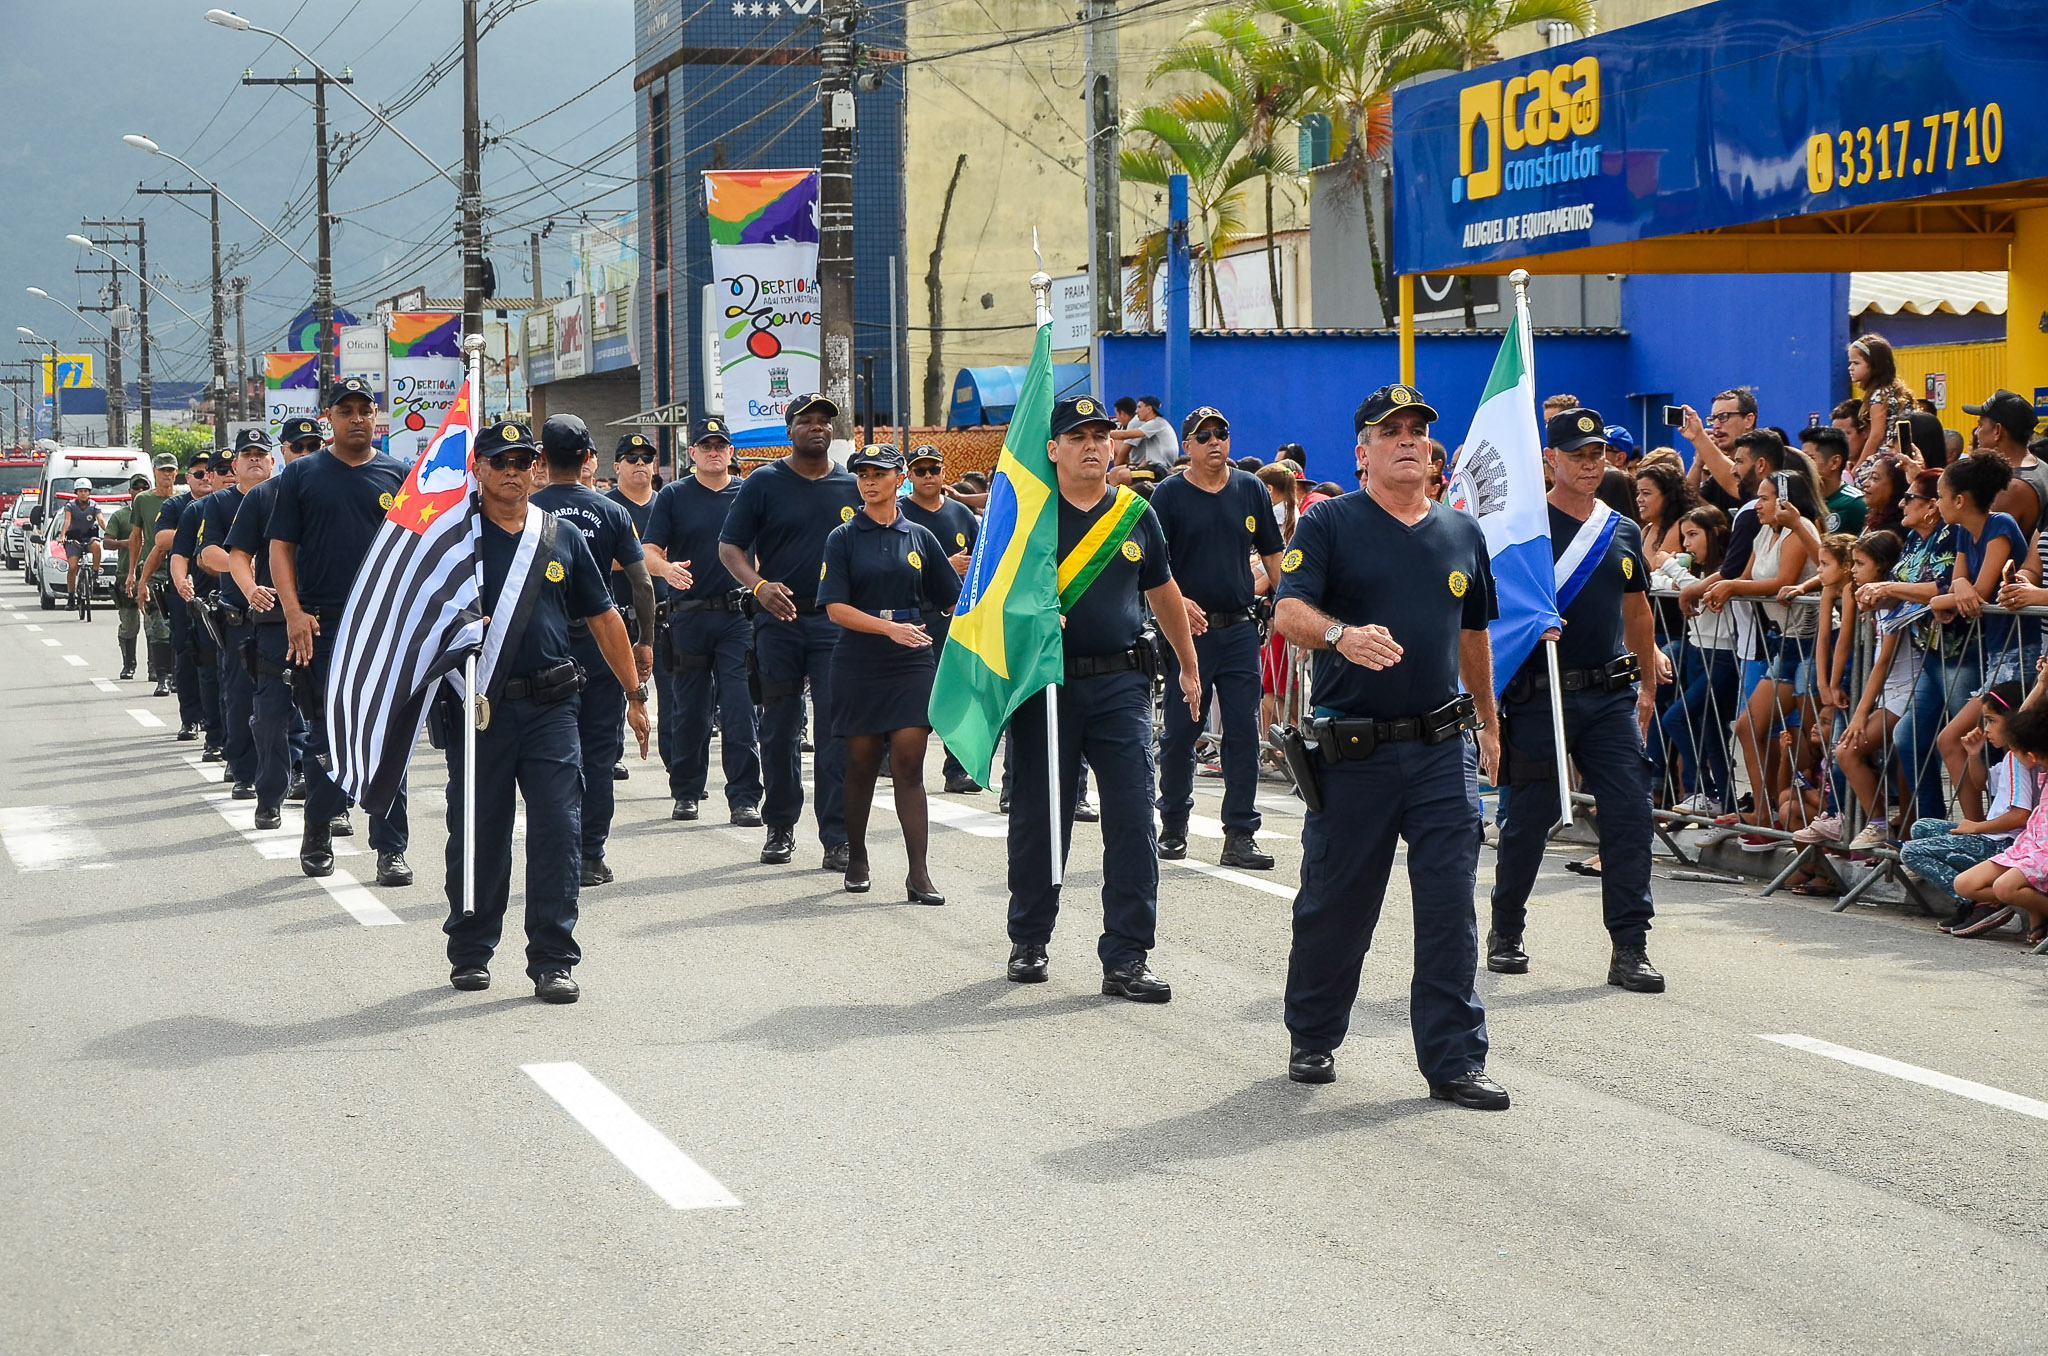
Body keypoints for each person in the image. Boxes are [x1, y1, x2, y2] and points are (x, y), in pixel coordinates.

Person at [1272, 382, 1505, 1105]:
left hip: (1442, 749)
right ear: (1362, 452)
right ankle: (1313, 1034)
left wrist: (1489, 721)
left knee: (1448, 909)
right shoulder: (1330, 523)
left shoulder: (1461, 532)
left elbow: (1473, 636)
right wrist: (1342, 634)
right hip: (1355, 753)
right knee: (1337, 906)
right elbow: (1285, 612)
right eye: (1390, 430)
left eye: (1417, 429)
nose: (1408, 439)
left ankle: (1454, 1061)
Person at [442, 419, 651, 1004]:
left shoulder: (561, 537)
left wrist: (634, 693)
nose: (513, 471)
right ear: (477, 469)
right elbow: (414, 618)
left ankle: (553, 958)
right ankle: (471, 950)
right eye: (500, 461)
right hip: (478, 710)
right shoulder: (454, 540)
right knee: (480, 832)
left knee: (559, 830)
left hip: (554, 707)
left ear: (536, 466)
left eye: (522, 461)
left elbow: (605, 618)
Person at [1004, 395, 1201, 1001]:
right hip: (1048, 686)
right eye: (1078, 435)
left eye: (1101, 435)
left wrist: (1188, 668)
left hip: (1123, 684)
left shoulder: (1135, 513)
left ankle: (1127, 956)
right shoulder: (1029, 517)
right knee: (1042, 817)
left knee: (1133, 818)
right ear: (1053, 449)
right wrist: (1032, 617)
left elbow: (1164, 593)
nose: (1093, 445)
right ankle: (1030, 938)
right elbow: (989, 603)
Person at [1490, 406, 1666, 994]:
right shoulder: (1524, 528)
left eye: (1597, 456)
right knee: (1530, 819)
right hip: (1541, 696)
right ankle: (1506, 927)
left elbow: (1637, 608)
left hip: (1608, 696)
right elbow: (1490, 614)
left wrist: (1646, 679)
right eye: (1577, 456)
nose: (1590, 466)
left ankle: (1630, 947)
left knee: (1629, 813)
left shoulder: (1621, 529)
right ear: (1550, 460)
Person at [267, 375, 413, 885]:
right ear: (329, 416)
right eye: (345, 409)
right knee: (331, 739)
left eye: (364, 409)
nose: (356, 418)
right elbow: (280, 547)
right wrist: (292, 611)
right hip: (323, 624)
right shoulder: (303, 475)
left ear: (377, 416)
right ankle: (317, 829)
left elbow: (421, 552)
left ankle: (390, 848)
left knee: (390, 737)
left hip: (387, 627)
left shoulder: (400, 475)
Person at [718, 393, 863, 868]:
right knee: (779, 728)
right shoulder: (763, 483)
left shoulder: (851, 486)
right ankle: (779, 826)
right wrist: (758, 587)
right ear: (789, 430)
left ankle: (838, 837)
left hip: (833, 625)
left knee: (834, 732)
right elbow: (730, 548)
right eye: (807, 421)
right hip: (778, 624)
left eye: (824, 421)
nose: (817, 428)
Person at [818, 443, 962, 900]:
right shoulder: (842, 537)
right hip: (859, 658)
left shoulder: (919, 536)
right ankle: (857, 856)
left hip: (911, 659)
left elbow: (953, 597)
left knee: (908, 762)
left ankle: (918, 873)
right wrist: (888, 628)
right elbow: (836, 609)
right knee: (860, 764)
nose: (869, 481)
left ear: (898, 478)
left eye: (879, 473)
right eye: (862, 473)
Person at [1146, 404, 1286, 869]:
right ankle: (1173, 826)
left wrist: (1292, 601)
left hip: (1240, 629)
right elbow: (1149, 566)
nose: (1214, 442)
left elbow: (1272, 554)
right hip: (1190, 635)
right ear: (1186, 447)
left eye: (1221, 433)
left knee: (1243, 732)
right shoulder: (1168, 495)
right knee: (1182, 732)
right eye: (1203, 436)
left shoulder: (1249, 490)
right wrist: (1177, 604)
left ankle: (1240, 834)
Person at [530, 413, 657, 888]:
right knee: (599, 757)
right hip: (604, 646)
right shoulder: (612, 511)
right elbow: (641, 583)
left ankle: (558, 853)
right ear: (588, 459)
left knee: (553, 756)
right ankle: (589, 855)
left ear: (540, 459)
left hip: (545, 650)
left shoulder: (526, 508)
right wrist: (644, 641)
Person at [644, 417, 761, 826]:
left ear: (731, 452)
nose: (714, 452)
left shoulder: (748, 492)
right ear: (691, 453)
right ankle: (687, 791)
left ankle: (744, 797)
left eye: (721, 446)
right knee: (690, 710)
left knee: (740, 707)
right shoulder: (674, 495)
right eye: (706, 446)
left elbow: (768, 544)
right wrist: (666, 569)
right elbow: (649, 551)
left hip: (737, 616)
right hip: (689, 616)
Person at [225, 417, 321, 829]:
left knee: (327, 720)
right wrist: (250, 590)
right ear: (283, 453)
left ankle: (332, 804)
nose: (304, 454)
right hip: (274, 623)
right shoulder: (264, 496)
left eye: (312, 446)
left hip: (327, 623)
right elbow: (238, 555)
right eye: (297, 448)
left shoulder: (334, 491)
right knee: (270, 718)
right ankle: (270, 796)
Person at [194, 428, 275, 802]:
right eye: (248, 455)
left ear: (273, 461)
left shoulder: (285, 497)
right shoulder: (220, 503)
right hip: (240, 616)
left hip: (281, 614)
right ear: (236, 464)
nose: (255, 460)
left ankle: (292, 768)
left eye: (261, 454)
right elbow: (207, 553)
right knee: (241, 697)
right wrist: (241, 563)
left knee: (290, 699)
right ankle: (244, 771)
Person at [898, 443, 983, 794]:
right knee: (912, 695)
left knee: (957, 691)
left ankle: (957, 767)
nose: (928, 476)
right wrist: (943, 567)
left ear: (944, 473)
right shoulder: (898, 513)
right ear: (909, 476)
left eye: (934, 469)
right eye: (920, 471)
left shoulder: (961, 513)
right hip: (912, 616)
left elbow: (982, 562)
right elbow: (887, 566)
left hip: (956, 618)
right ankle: (898, 759)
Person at [606, 432, 669, 782]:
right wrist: (647, 559)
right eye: (632, 458)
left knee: (674, 697)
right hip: (616, 607)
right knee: (616, 687)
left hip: (662, 610)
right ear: (617, 466)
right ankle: (614, 753)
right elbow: (604, 557)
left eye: (646, 458)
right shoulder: (607, 506)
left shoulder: (665, 504)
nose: (640, 464)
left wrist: (643, 561)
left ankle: (678, 766)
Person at [165, 456, 228, 755]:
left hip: (251, 601)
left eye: (232, 470)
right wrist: (180, 581)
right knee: (210, 672)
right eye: (222, 471)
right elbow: (179, 553)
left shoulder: (259, 501)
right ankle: (214, 736)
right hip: (208, 605)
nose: (228, 476)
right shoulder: (196, 510)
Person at [127, 454, 179, 693]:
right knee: (157, 625)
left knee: (182, 625)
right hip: (154, 569)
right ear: (155, 473)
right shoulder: (143, 501)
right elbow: (136, 537)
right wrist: (133, 574)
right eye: (162, 470)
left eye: (171, 470)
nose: (167, 475)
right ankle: (163, 677)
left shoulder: (185, 499)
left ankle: (179, 674)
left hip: (182, 568)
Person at [1679, 388, 1758, 515]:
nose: (1716, 425)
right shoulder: (1717, 477)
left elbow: (1739, 486)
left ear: (1749, 420)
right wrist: (1698, 462)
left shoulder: (1765, 460)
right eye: (1713, 418)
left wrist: (1699, 437)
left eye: (1723, 417)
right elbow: (1688, 506)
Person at [1847, 333, 1918, 467]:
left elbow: (1876, 436)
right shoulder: (1895, 391)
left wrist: (1859, 466)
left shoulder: (1879, 395)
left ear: (1874, 366)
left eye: (1856, 363)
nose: (1850, 368)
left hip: (1887, 457)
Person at [105, 473, 151, 678]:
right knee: (129, 623)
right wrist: (130, 542)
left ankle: (157, 669)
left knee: (155, 624)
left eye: (144, 487)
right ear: (130, 491)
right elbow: (107, 542)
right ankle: (129, 665)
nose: (140, 491)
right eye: (136, 488)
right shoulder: (120, 516)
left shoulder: (158, 512)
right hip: (126, 574)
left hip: (152, 574)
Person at [1799, 425, 1867, 536]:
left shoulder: (1855, 503)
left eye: (1810, 458)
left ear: (1834, 462)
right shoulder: (1801, 501)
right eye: (1802, 459)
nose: (1803, 465)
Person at [1106, 394, 1177, 492]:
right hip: (1153, 467)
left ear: (1149, 409)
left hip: (1161, 470)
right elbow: (1148, 458)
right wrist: (1136, 468)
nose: (1136, 411)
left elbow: (1124, 435)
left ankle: (1125, 501)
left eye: (1139, 407)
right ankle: (1114, 501)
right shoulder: (1149, 427)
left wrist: (1101, 433)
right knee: (1114, 472)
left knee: (1122, 475)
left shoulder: (1156, 423)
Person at [58, 478, 103, 605]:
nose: (83, 493)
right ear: (76, 493)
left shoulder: (94, 506)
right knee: (72, 567)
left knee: (97, 546)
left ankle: (95, 574)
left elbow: (100, 520)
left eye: (85, 491)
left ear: (89, 493)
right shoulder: (70, 506)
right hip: (74, 539)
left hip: (89, 538)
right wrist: (62, 536)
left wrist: (110, 532)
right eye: (80, 491)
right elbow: (67, 521)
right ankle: (71, 597)